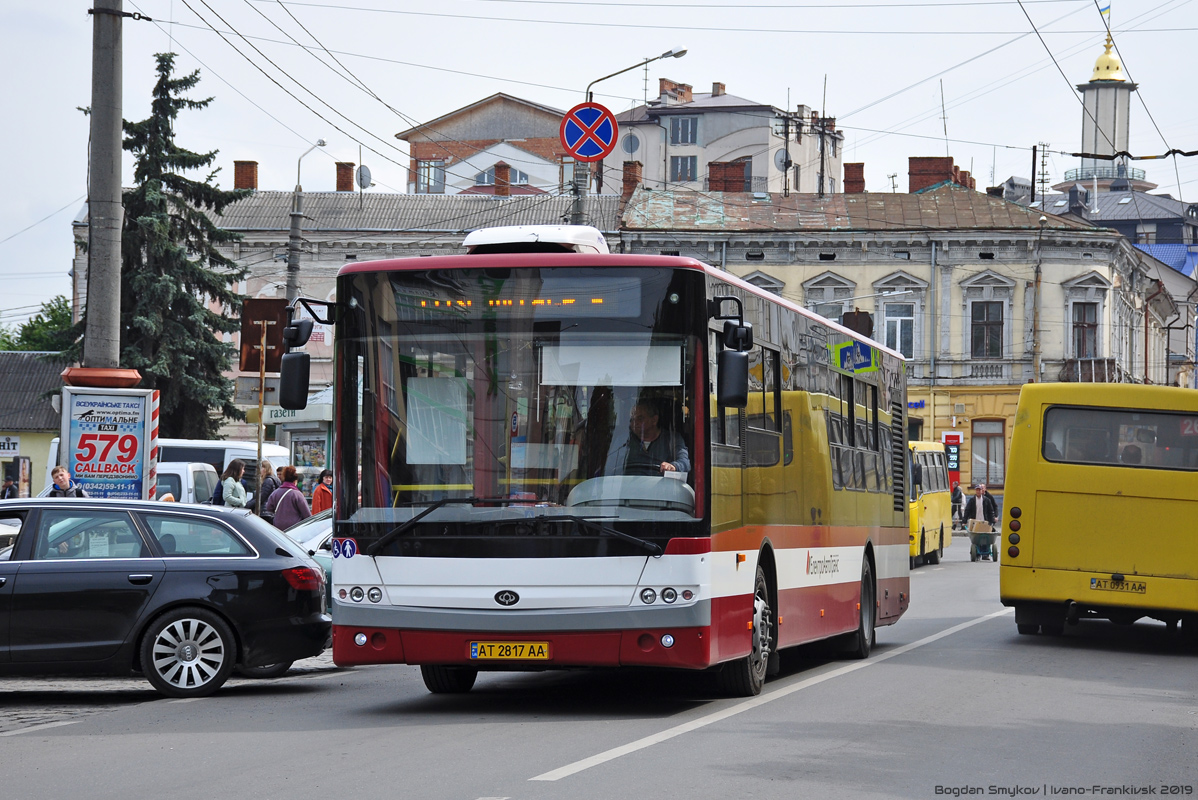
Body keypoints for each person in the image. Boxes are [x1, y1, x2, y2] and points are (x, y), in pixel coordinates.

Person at [608, 400, 690, 476]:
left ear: (654, 420)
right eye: (632, 419)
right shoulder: (623, 440)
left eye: (640, 418)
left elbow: (685, 462)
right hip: (628, 488)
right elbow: (609, 466)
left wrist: (673, 466)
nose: (635, 423)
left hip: (661, 489)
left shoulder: (672, 439)